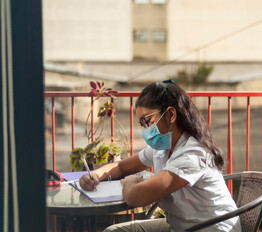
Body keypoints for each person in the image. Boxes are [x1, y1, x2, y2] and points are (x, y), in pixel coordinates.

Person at [79, 80, 241, 232]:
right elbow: (121, 166)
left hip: (211, 228)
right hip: (183, 225)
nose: (145, 128)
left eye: (147, 120)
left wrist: (131, 181)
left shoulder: (192, 154)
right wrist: (95, 175)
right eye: (142, 123)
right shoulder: (164, 147)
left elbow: (136, 197)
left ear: (171, 115)